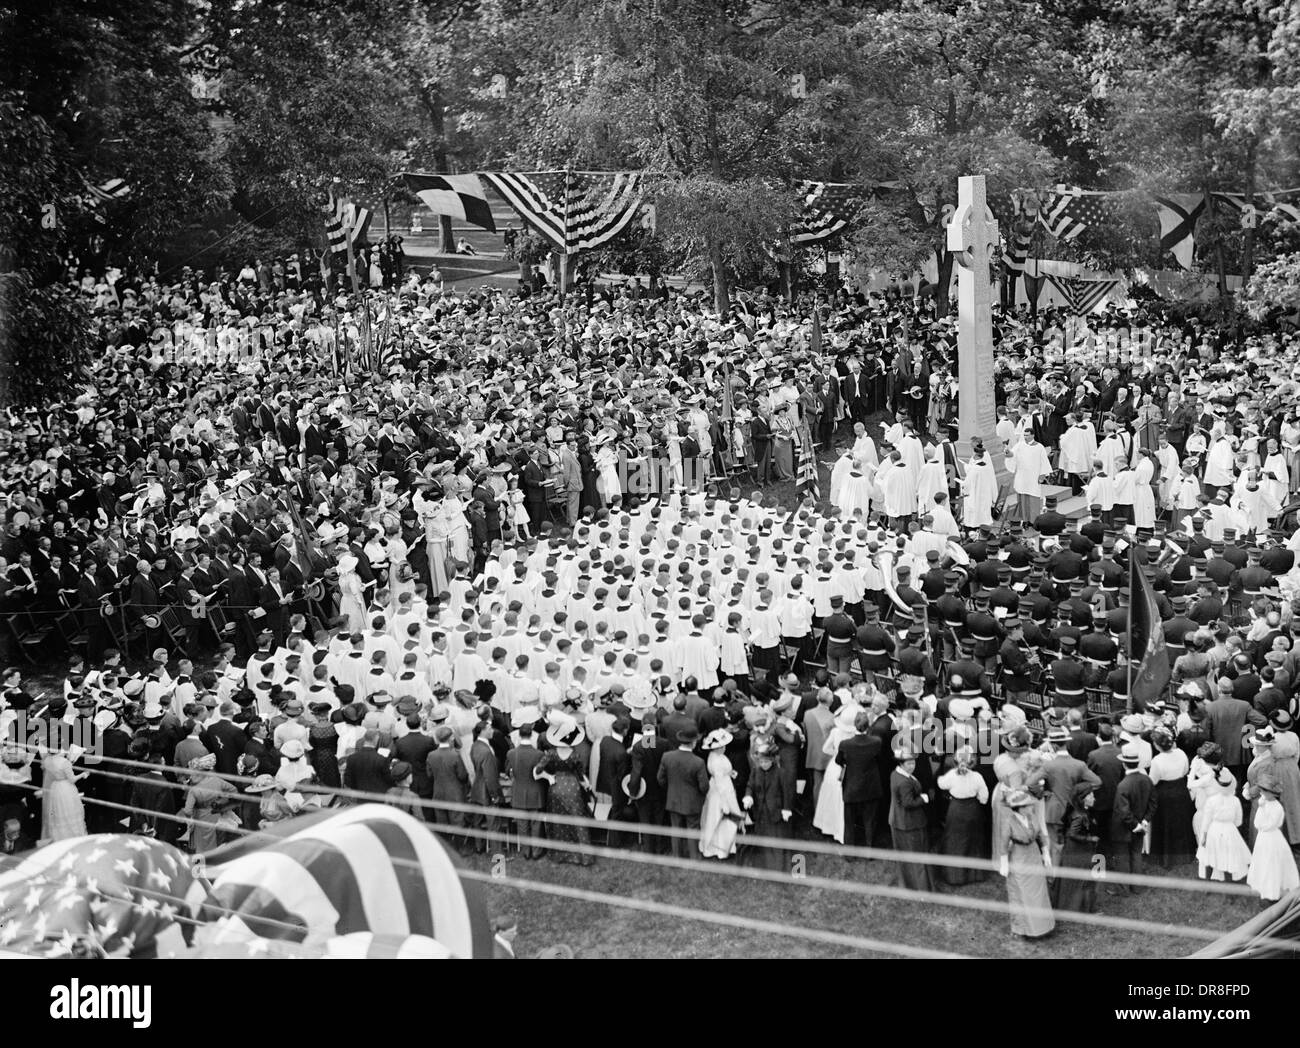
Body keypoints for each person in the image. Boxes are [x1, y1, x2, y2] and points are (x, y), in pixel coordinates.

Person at [997, 787, 1055, 938]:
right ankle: (1022, 929)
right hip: (1019, 858)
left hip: (1034, 856)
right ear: (1020, 809)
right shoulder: (1008, 821)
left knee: (1039, 892)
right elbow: (1003, 844)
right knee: (1021, 893)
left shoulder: (1032, 817)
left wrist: (1046, 852)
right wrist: (1004, 863)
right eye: (1028, 805)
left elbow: (1041, 835)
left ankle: (1043, 927)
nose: (1031, 807)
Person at [534, 721, 594, 866]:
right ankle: (584, 856)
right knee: (577, 820)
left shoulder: (551, 754)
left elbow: (537, 771)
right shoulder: (575, 755)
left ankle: (559, 855)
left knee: (558, 822)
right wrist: (586, 784)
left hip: (556, 788)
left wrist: (548, 777)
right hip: (573, 788)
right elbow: (580, 774)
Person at [935, 746, 989, 885]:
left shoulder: (952, 774)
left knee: (954, 841)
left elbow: (941, 784)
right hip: (972, 810)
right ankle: (974, 875)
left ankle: (955, 876)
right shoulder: (977, 777)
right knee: (973, 841)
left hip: (956, 810)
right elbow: (984, 797)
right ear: (973, 761)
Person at [1107, 743, 1155, 896]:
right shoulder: (1146, 780)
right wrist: (1144, 822)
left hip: (1123, 828)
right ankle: (1137, 887)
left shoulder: (1123, 785)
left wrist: (1135, 825)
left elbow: (1123, 811)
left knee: (1122, 858)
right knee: (1136, 855)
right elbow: (1153, 803)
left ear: (1123, 763)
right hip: (1140, 825)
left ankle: (1123, 889)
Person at [888, 743, 935, 892]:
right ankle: (922, 887)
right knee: (918, 855)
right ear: (901, 764)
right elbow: (908, 802)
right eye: (909, 763)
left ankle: (908, 884)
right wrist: (925, 798)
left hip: (898, 820)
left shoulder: (895, 775)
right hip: (910, 822)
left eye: (913, 762)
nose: (912, 766)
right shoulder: (904, 782)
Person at [658, 724, 710, 860]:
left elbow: (660, 779)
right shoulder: (698, 762)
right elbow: (704, 786)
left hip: (673, 799)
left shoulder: (667, 757)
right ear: (693, 743)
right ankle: (694, 857)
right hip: (692, 802)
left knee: (675, 829)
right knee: (693, 830)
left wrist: (670, 789)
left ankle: (677, 857)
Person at [1246, 779, 1300, 903]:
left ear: (1272, 793)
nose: (1262, 793)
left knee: (1272, 863)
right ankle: (1263, 886)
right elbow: (1257, 823)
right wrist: (1261, 810)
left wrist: (1262, 820)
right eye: (1262, 790)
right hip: (1263, 837)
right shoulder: (1263, 804)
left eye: (1264, 791)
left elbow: (1269, 825)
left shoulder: (1277, 807)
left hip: (1272, 837)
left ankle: (1274, 890)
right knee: (1263, 861)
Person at [742, 738, 791, 870]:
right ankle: (763, 866)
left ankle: (778, 867)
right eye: (761, 762)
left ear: (772, 760)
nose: (763, 764)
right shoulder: (755, 771)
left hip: (775, 812)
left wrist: (786, 809)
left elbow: (787, 793)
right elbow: (750, 786)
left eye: (766, 761)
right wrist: (748, 796)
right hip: (760, 812)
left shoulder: (781, 773)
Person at [1195, 766, 1251, 883]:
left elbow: (1206, 820)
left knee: (1210, 854)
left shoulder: (1211, 801)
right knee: (1230, 854)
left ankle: (1209, 878)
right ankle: (1229, 878)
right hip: (1230, 829)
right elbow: (1238, 821)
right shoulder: (1235, 800)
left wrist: (1204, 835)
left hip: (1214, 830)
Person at [1051, 782, 1099, 914]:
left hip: (1074, 851)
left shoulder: (1080, 811)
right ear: (1082, 799)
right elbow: (1072, 834)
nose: (1094, 798)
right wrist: (1090, 839)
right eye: (1091, 796)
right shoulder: (1079, 816)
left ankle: (1071, 907)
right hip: (1078, 851)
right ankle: (1080, 908)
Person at [698, 728, 742, 859]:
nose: (725, 748)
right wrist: (724, 803)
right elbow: (719, 783)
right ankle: (720, 848)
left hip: (724, 784)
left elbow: (723, 772)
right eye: (722, 746)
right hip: (720, 791)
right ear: (717, 748)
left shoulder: (717, 756)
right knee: (719, 817)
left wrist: (730, 773)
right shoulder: (716, 760)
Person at [38, 752, 87, 843]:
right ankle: (72, 838)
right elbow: (72, 779)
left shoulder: (47, 760)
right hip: (66, 788)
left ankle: (59, 838)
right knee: (69, 811)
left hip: (55, 788)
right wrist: (83, 774)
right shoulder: (64, 762)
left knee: (58, 813)